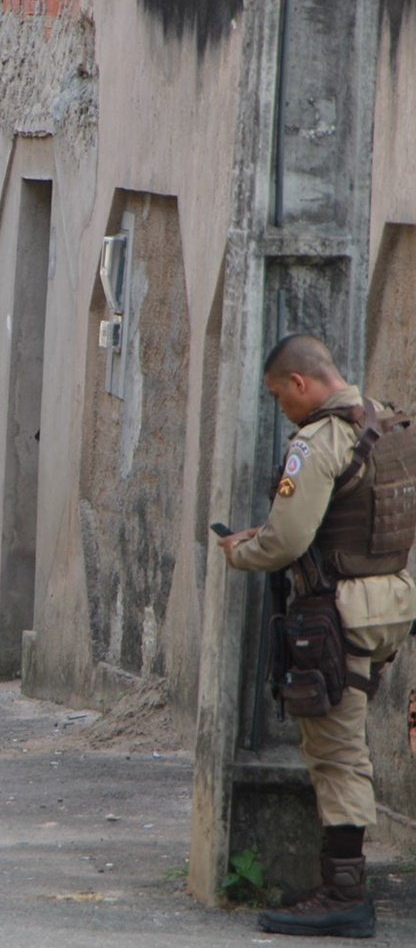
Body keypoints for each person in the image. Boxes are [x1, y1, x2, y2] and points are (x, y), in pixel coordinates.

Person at [220, 333, 416, 939]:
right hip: (391, 600)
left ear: (301, 384)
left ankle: (344, 893)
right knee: (347, 736)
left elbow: (286, 541)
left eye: (282, 397)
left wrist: (240, 550)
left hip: (337, 613)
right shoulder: (392, 424)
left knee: (335, 751)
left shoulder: (319, 441)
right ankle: (340, 886)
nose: (284, 409)